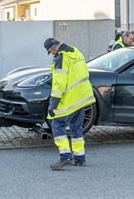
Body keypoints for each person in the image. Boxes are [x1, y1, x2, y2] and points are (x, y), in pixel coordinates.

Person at [44, 38, 96, 170]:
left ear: (53, 48)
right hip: (82, 97)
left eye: (50, 51)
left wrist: (52, 105)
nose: (51, 54)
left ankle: (65, 157)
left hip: (69, 99)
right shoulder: (76, 52)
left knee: (57, 125)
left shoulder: (61, 57)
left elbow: (59, 84)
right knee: (76, 127)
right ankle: (80, 158)